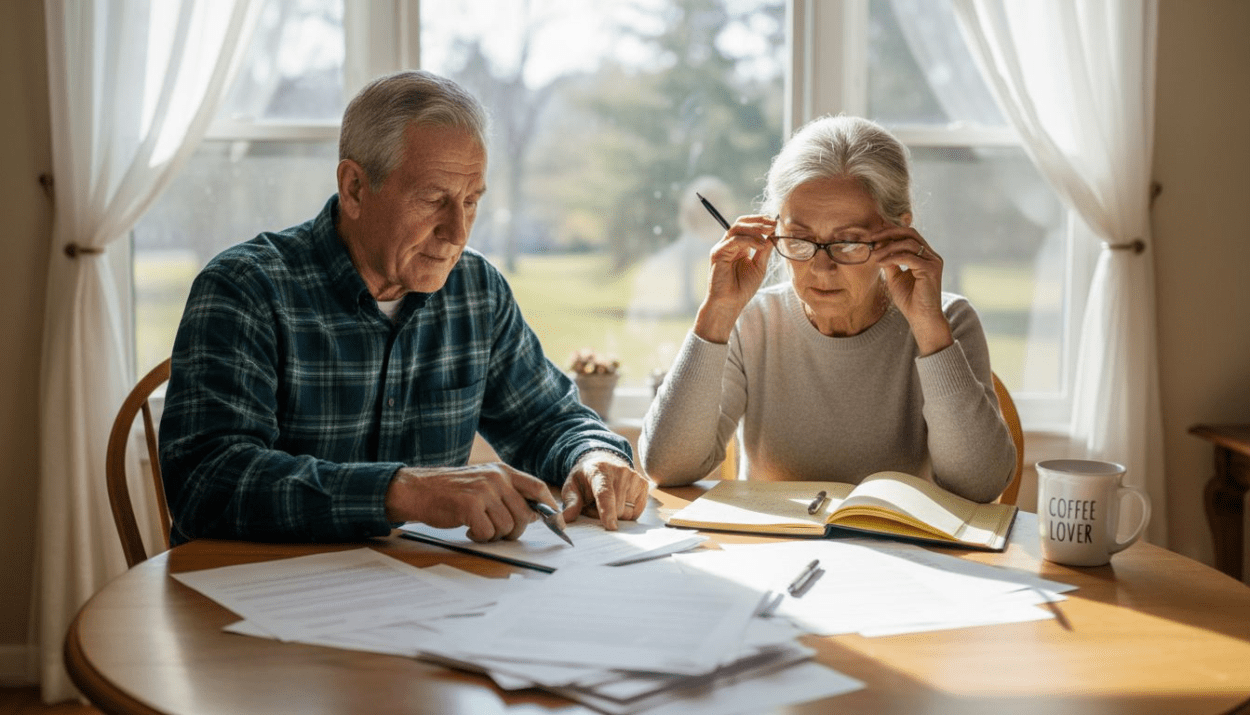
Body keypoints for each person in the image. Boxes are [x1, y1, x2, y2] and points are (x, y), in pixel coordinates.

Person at [159, 70, 650, 546]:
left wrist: (592, 455)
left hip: (416, 599)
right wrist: (403, 492)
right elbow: (207, 481)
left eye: (471, 201)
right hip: (250, 600)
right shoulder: (246, 289)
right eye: (434, 199)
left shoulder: (475, 290)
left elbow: (549, 419)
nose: (457, 233)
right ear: (354, 188)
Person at [639, 115, 1016, 502]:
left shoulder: (948, 320)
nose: (821, 268)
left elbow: (980, 484)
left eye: (849, 242)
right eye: (800, 241)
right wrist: (717, 312)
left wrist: (929, 329)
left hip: (901, 558)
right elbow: (667, 467)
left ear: (901, 233)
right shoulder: (752, 320)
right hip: (774, 556)